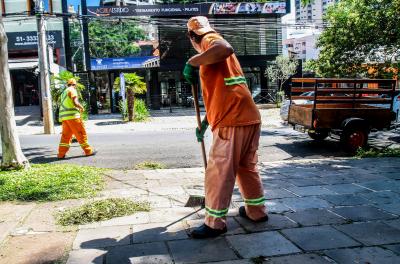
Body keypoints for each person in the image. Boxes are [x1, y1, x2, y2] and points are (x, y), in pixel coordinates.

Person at [183, 16, 268, 239]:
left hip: (232, 120)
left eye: (197, 36)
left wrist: (192, 62)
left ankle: (214, 224)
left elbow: (225, 47)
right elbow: (223, 92)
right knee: (246, 167)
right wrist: (205, 122)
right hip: (248, 116)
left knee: (219, 172)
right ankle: (256, 211)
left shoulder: (210, 41)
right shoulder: (211, 53)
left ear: (192, 36)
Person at [58, 78, 95, 159]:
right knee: (80, 133)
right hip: (73, 117)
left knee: (66, 136)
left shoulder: (63, 92)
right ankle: (88, 151)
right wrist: (82, 107)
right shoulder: (72, 90)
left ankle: (61, 154)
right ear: (74, 85)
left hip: (65, 118)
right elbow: (75, 102)